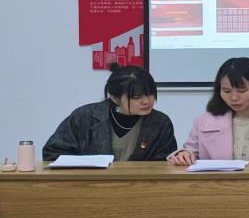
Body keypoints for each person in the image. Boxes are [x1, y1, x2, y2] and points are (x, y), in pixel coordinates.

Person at [43, 64, 177, 161]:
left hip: (142, 188)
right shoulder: (84, 117)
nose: (146, 101)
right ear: (114, 98)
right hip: (89, 187)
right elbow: (52, 153)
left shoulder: (160, 123)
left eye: (150, 94)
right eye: (136, 97)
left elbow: (166, 163)